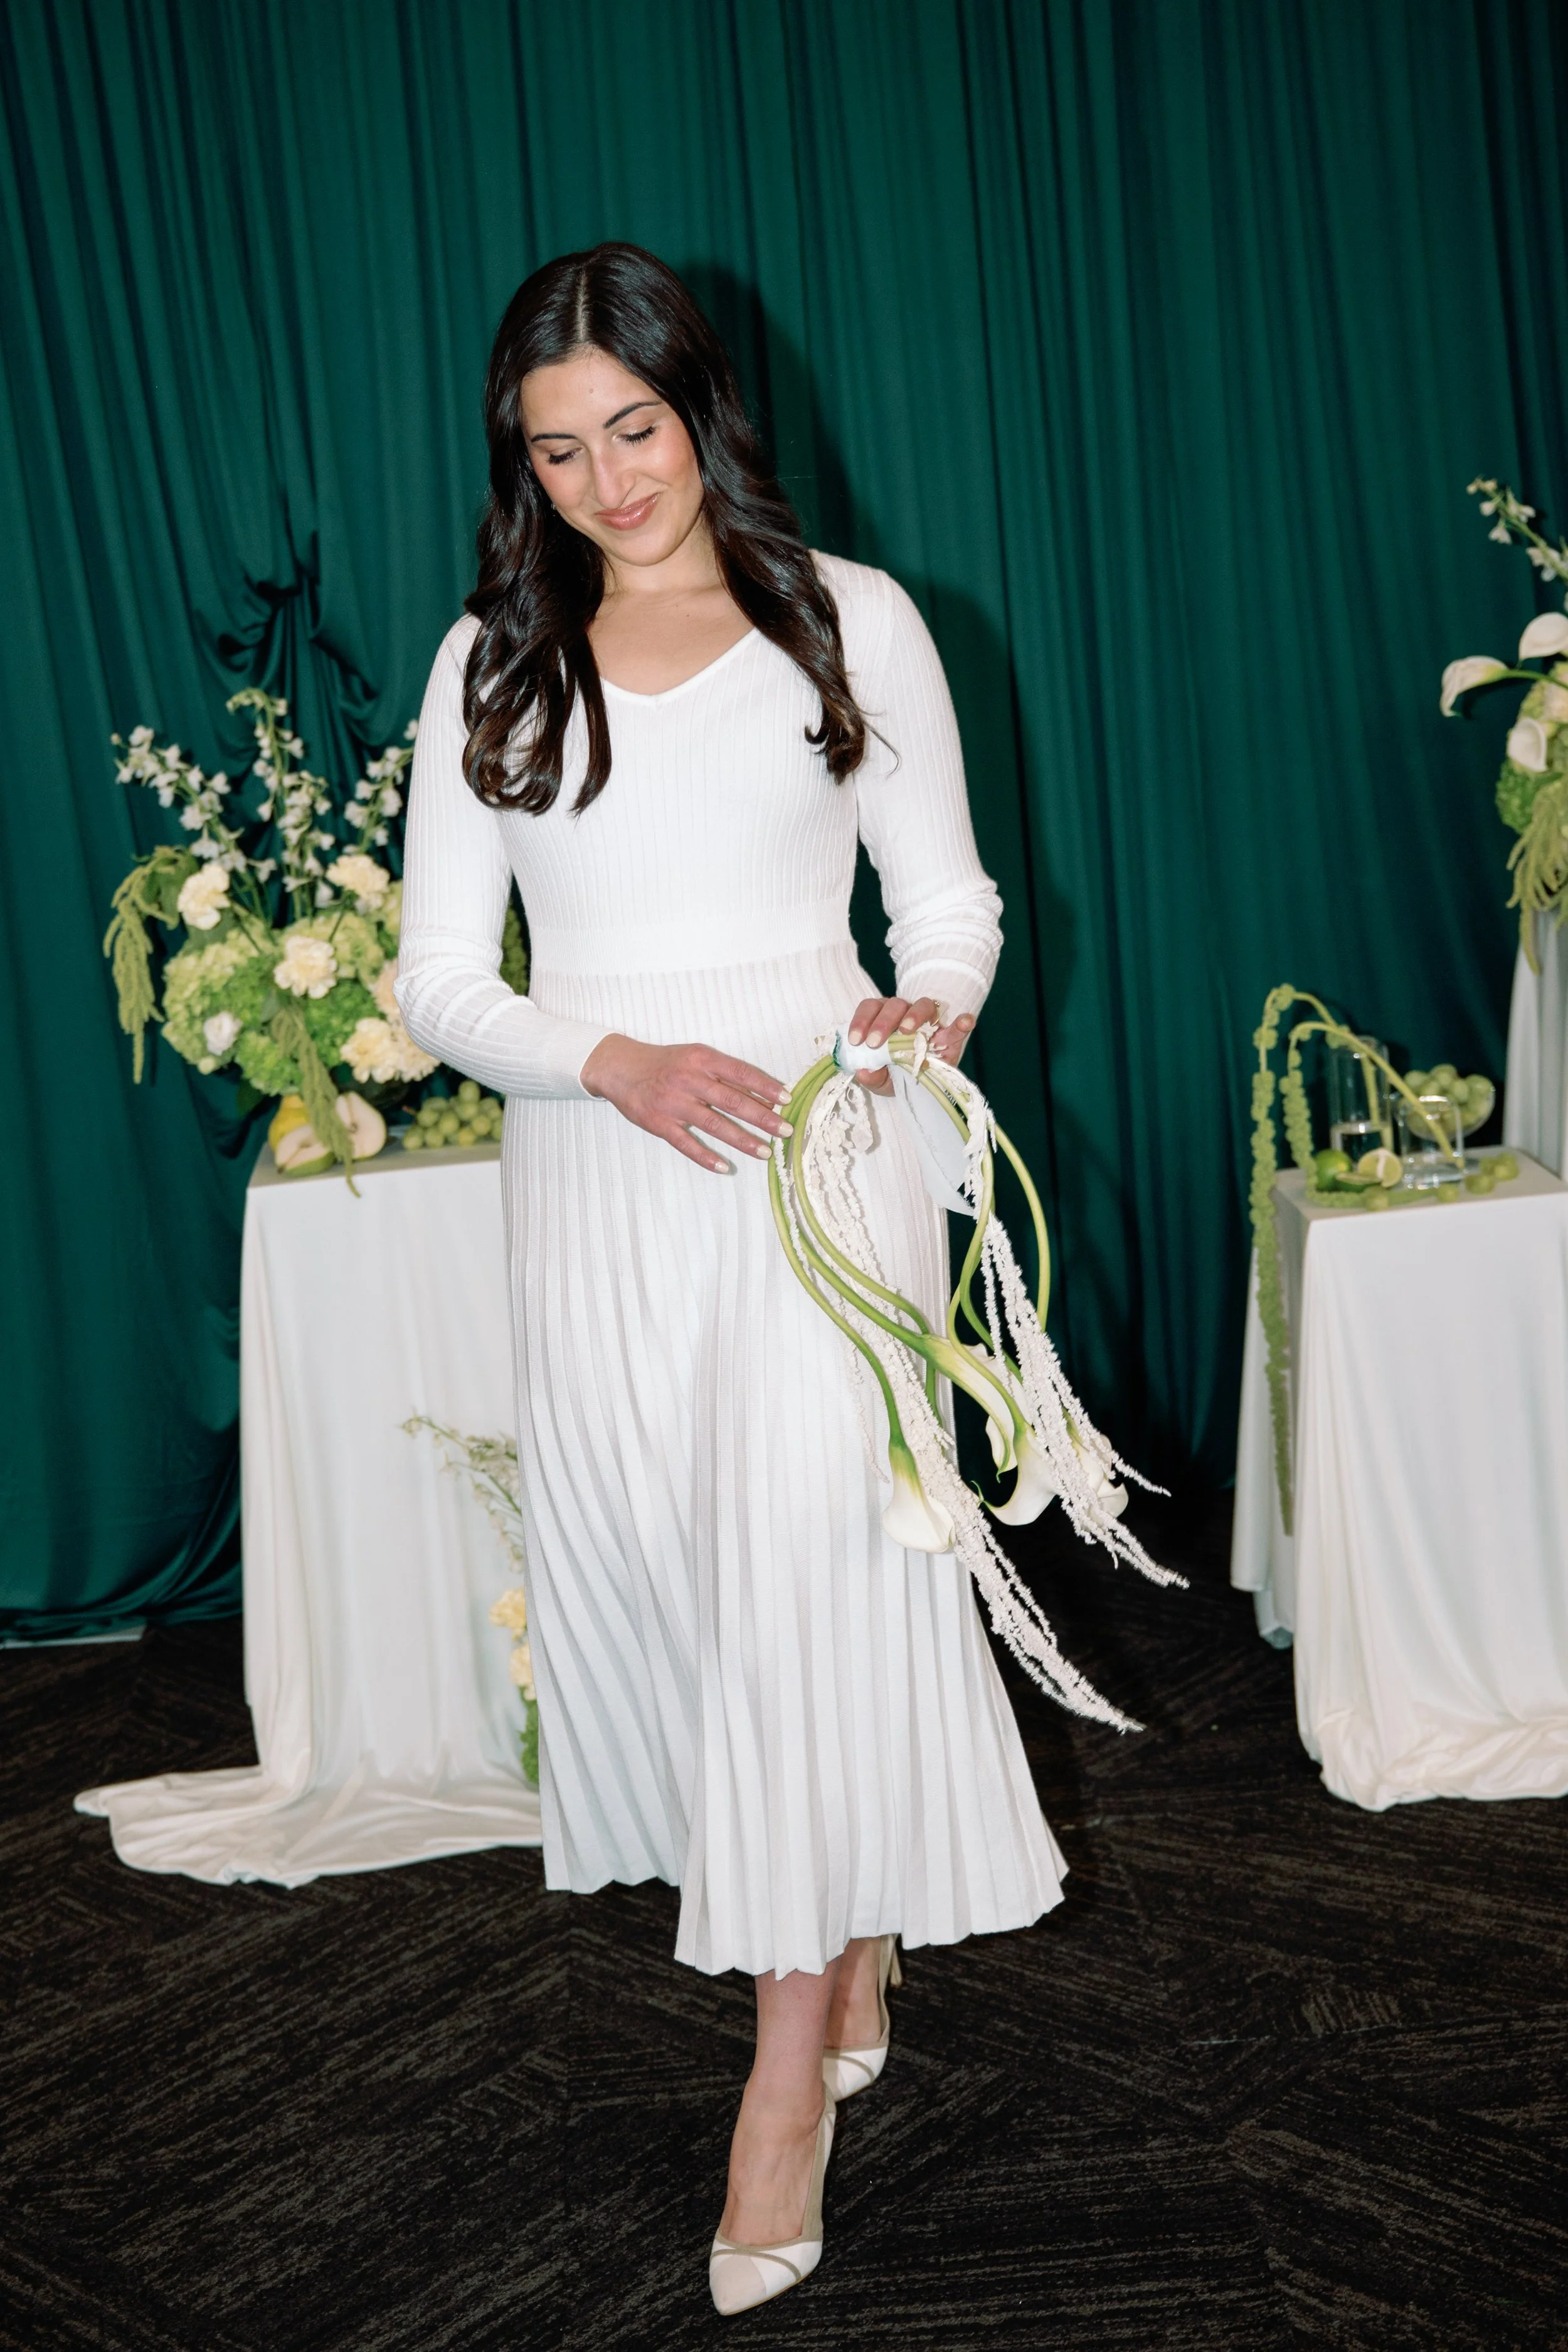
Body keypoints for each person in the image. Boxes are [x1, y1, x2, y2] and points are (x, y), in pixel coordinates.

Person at [396, 241, 1066, 2316]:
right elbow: (436, 979)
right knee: (689, 1598)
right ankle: (834, 1922)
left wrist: (922, 1015)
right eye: (558, 448)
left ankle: (783, 2076)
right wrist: (600, 1054)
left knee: (799, 1581)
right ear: (520, 469)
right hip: (601, 1178)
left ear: (699, 405)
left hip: (818, 1165)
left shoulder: (846, 621)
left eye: (635, 425)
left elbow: (943, 900)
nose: (610, 478)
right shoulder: (487, 667)